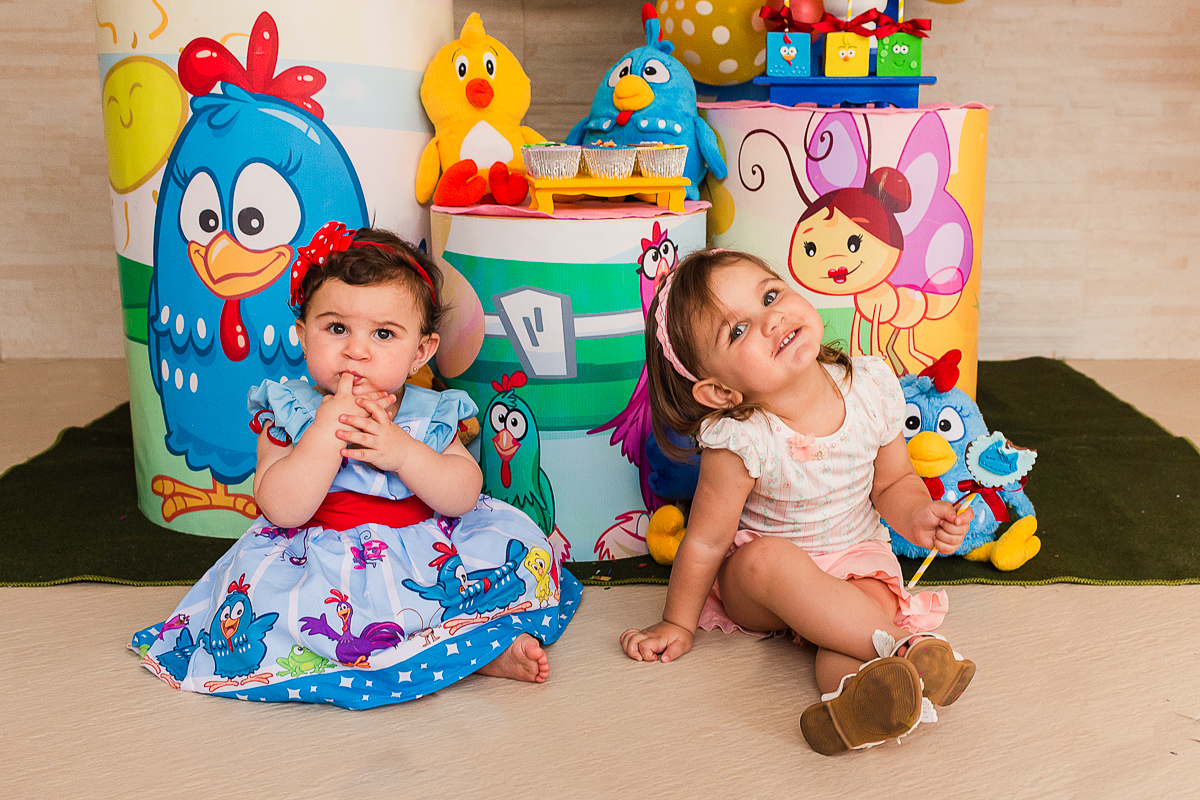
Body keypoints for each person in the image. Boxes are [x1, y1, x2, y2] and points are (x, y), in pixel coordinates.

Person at [132, 222, 580, 709]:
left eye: (384, 334)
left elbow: (463, 494)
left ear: (421, 352)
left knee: (472, 586)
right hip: (320, 556)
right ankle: (461, 655)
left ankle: (480, 649)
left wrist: (405, 453)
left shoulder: (432, 412)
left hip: (423, 550)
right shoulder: (288, 412)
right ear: (303, 335)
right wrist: (324, 432)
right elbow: (281, 507)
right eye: (336, 328)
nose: (356, 350)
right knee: (283, 619)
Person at [619, 248, 976, 754]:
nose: (771, 320)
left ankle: (857, 703)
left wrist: (919, 516)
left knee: (853, 623)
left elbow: (893, 482)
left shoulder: (869, 387)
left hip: (856, 561)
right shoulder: (742, 438)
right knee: (768, 561)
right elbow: (705, 540)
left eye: (769, 295)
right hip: (763, 583)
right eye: (737, 331)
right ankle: (909, 649)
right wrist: (678, 621)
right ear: (720, 392)